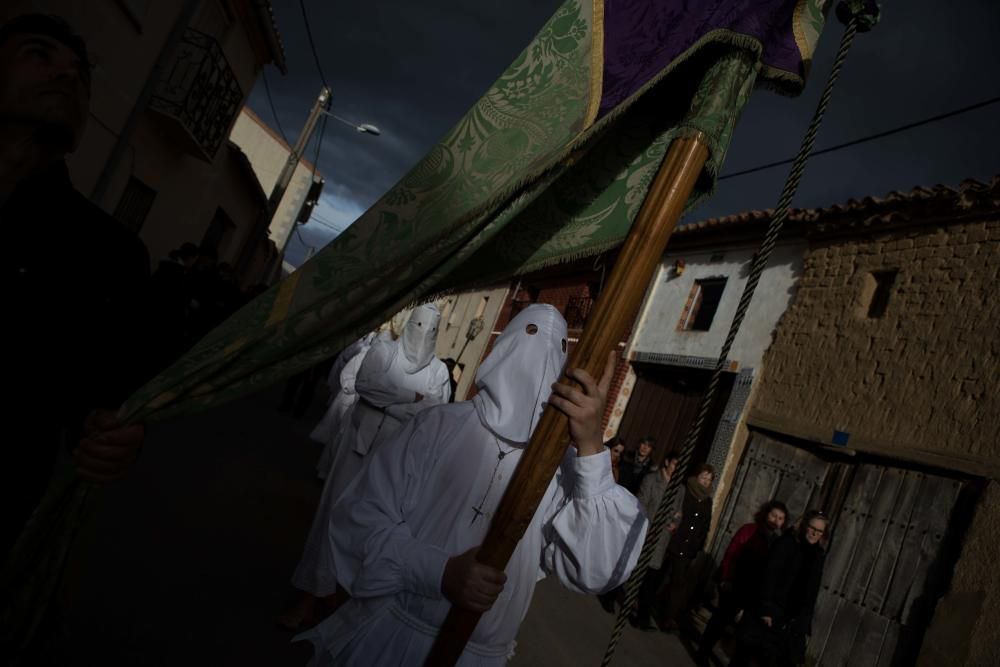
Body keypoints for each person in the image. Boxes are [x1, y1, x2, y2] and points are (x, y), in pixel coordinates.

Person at [296, 304, 647, 666]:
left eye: (556, 347)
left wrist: (591, 447)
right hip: (392, 639)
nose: (536, 355)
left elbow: (598, 570)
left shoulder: (562, 470)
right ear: (504, 345)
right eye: (528, 335)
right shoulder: (438, 426)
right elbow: (357, 521)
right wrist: (438, 571)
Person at [1, 14, 150, 559]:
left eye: (81, 76)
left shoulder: (108, 256)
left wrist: (111, 436)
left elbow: (101, 397)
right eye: (38, 55)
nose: (66, 78)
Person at [279, 305, 451, 630]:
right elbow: (365, 386)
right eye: (418, 325)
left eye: (431, 330)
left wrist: (394, 403)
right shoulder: (383, 350)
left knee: (373, 532)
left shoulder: (439, 372)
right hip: (355, 450)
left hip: (395, 464)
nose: (423, 334)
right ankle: (307, 598)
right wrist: (412, 397)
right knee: (333, 520)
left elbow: (432, 415)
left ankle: (341, 603)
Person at [731, 510, 830, 667]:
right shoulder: (787, 543)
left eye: (819, 531)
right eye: (812, 528)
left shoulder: (818, 555)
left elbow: (811, 592)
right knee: (747, 657)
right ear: (805, 526)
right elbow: (769, 576)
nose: (814, 533)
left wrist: (804, 624)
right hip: (771, 613)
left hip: (792, 621)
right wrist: (766, 609)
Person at [697, 500, 788, 664]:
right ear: (765, 514)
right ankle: (702, 652)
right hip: (735, 584)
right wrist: (726, 578)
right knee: (720, 620)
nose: (776, 520)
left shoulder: (777, 542)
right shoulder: (749, 530)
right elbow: (731, 554)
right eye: (773, 515)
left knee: (743, 630)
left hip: (754, 591)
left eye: (781, 518)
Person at [659, 463, 715, 633]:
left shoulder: (707, 500)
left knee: (678, 582)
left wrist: (699, 543)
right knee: (660, 573)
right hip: (673, 539)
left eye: (709, 479)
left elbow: (706, 524)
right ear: (697, 476)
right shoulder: (685, 490)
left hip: (688, 548)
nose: (705, 481)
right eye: (703, 477)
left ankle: (668, 617)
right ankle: (642, 602)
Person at [628, 455, 680, 630]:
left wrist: (675, 523)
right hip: (645, 531)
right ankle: (612, 597)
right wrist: (655, 522)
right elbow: (642, 503)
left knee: (649, 578)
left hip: (661, 539)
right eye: (674, 464)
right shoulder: (652, 479)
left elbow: (679, 513)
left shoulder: (679, 489)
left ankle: (642, 617)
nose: (676, 469)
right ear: (667, 462)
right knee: (632, 569)